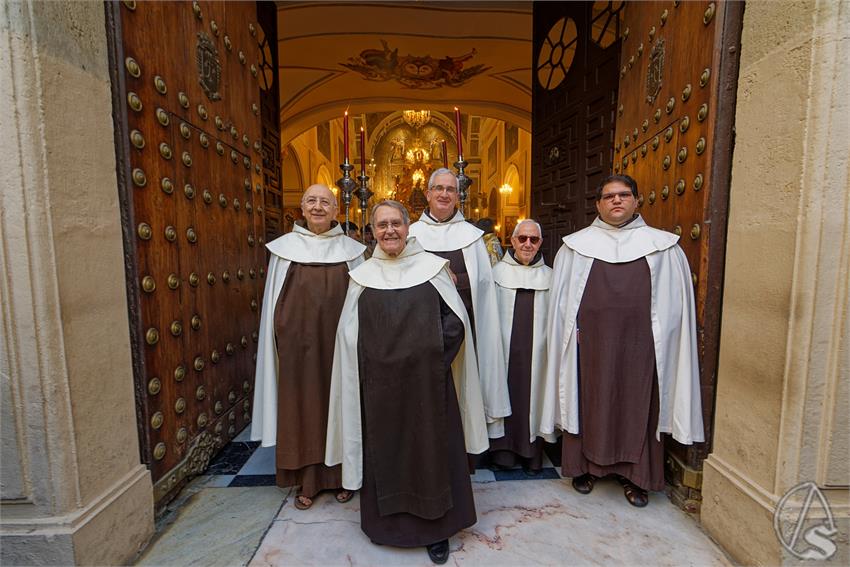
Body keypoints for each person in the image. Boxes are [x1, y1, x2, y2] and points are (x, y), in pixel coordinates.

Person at [326, 200, 488, 565]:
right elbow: (349, 336)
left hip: (428, 386)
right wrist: (377, 363)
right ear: (372, 231)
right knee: (387, 456)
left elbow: (454, 324)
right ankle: (386, 528)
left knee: (431, 455)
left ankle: (436, 531)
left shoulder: (433, 270)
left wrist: (423, 359)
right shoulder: (361, 277)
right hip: (379, 389)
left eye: (395, 223)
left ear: (407, 226)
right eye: (381, 225)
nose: (389, 231)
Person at [540, 174, 704, 507]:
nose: (617, 200)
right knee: (588, 400)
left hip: (642, 349)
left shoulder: (664, 248)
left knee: (637, 405)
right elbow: (560, 307)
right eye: (609, 196)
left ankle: (636, 476)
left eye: (624, 195)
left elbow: (676, 308)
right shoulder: (575, 247)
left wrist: (662, 339)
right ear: (599, 204)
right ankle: (585, 469)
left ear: (636, 201)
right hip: (589, 348)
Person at [251, 184, 366, 510]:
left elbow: (363, 300)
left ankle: (344, 476)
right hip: (297, 351)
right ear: (301, 208)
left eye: (325, 202)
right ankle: (307, 481)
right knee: (303, 411)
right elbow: (275, 302)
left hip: (340, 350)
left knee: (342, 410)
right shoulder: (283, 251)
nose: (318, 207)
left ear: (335, 211)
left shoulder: (353, 252)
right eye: (312, 201)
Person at [409, 168, 510, 437]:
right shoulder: (410, 234)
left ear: (457, 196)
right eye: (439, 189)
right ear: (428, 194)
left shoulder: (472, 236)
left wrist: (455, 281)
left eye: (450, 190)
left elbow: (483, 285)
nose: (444, 194)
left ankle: (466, 443)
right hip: (419, 330)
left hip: (465, 329)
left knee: (462, 389)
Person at [488, 219, 555, 474]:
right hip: (502, 354)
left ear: (540, 244)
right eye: (522, 238)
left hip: (539, 356)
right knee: (503, 394)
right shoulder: (496, 274)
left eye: (534, 240)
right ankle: (503, 451)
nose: (528, 244)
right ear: (513, 241)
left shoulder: (551, 277)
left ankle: (532, 453)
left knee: (535, 398)